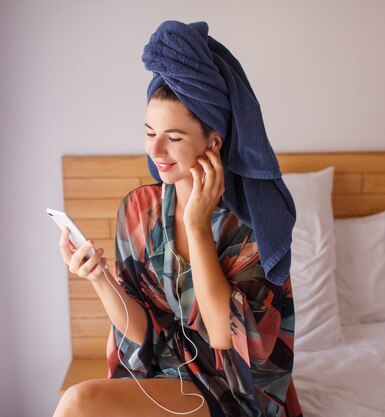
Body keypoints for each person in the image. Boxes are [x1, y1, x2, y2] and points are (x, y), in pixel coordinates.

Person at [53, 21, 302, 417]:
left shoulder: (252, 226)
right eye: (149, 131)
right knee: (78, 401)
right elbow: (138, 331)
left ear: (213, 142)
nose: (155, 149)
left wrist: (198, 224)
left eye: (174, 137)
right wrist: (97, 277)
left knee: (78, 404)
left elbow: (224, 335)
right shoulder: (139, 210)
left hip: (234, 390)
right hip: (164, 377)